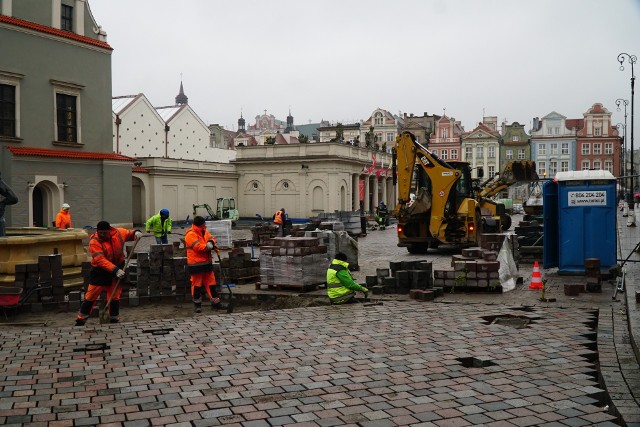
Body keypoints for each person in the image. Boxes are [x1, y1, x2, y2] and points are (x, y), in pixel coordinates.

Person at [75, 221, 142, 326]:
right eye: (100, 232)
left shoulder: (119, 233)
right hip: (100, 271)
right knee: (91, 295)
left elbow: (130, 234)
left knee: (115, 296)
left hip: (117, 266)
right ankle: (81, 319)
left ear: (109, 231)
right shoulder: (94, 242)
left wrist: (136, 233)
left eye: (104, 233)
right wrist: (116, 270)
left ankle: (114, 319)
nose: (102, 235)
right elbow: (100, 260)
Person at [185, 215, 224, 312]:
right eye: (203, 224)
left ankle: (215, 302)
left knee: (211, 283)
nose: (205, 226)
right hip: (196, 264)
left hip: (206, 263)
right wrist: (208, 247)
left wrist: (211, 242)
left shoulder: (204, 231)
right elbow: (197, 247)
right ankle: (197, 305)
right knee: (197, 285)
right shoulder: (190, 235)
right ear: (199, 225)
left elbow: (212, 238)